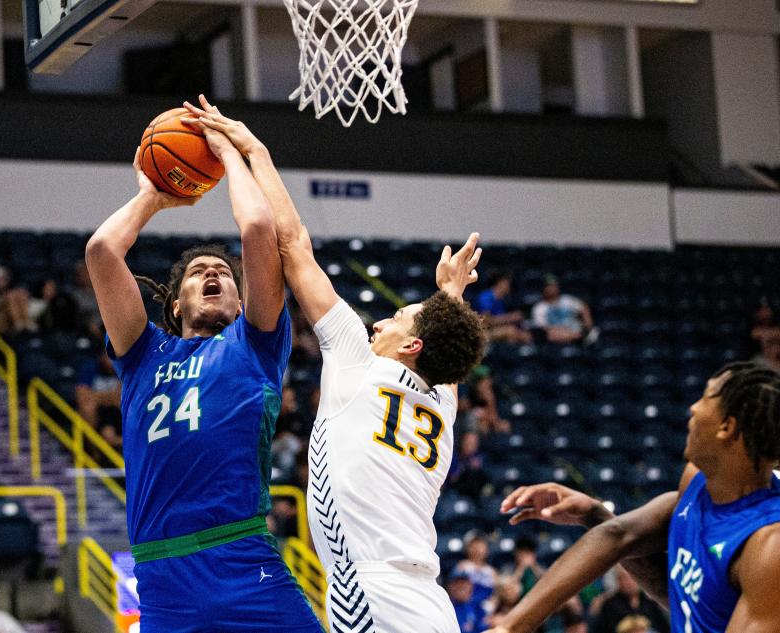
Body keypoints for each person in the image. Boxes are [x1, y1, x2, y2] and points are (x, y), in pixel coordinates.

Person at [183, 95, 486, 633]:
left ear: (411, 347)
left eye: (394, 318)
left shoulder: (357, 363)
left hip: (370, 589)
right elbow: (448, 344)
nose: (378, 325)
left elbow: (293, 242)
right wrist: (450, 295)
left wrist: (255, 149)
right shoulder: (443, 400)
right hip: (427, 598)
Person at [84, 110, 321, 630]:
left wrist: (228, 153)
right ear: (174, 305)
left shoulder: (254, 343)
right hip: (163, 576)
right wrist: (154, 196)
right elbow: (102, 252)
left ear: (241, 302)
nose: (214, 271)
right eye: (198, 272)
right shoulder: (143, 353)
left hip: (242, 557)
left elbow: (258, 227)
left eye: (224, 273)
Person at [486, 361, 780, 633]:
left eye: (706, 397)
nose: (693, 407)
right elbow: (620, 536)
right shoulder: (698, 482)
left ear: (727, 427)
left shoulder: (777, 546)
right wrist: (509, 627)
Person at [590, 568, 667, 633]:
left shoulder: (650, 603)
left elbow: (663, 628)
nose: (630, 582)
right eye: (625, 578)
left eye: (633, 579)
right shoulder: (609, 605)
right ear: (618, 581)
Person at [472, 269, 531, 345]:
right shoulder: (486, 297)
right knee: (511, 331)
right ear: (501, 283)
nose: (509, 287)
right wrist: (510, 317)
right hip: (481, 332)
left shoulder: (501, 300)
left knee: (522, 334)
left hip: (495, 330)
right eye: (507, 283)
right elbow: (486, 321)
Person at [531, 275, 594, 344]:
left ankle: (579, 337)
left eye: (554, 286)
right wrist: (569, 333)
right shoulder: (539, 307)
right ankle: (579, 338)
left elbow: (584, 308)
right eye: (548, 286)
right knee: (550, 335)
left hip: (575, 329)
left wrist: (587, 325)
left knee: (593, 332)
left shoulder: (567, 299)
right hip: (558, 335)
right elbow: (544, 328)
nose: (552, 288)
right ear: (543, 289)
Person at [453, 533, 498, 606]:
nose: (477, 549)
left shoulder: (492, 571)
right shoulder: (462, 566)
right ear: (467, 548)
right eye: (473, 546)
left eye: (480, 545)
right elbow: (454, 590)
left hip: (486, 607)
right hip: (466, 605)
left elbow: (496, 593)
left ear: (486, 549)